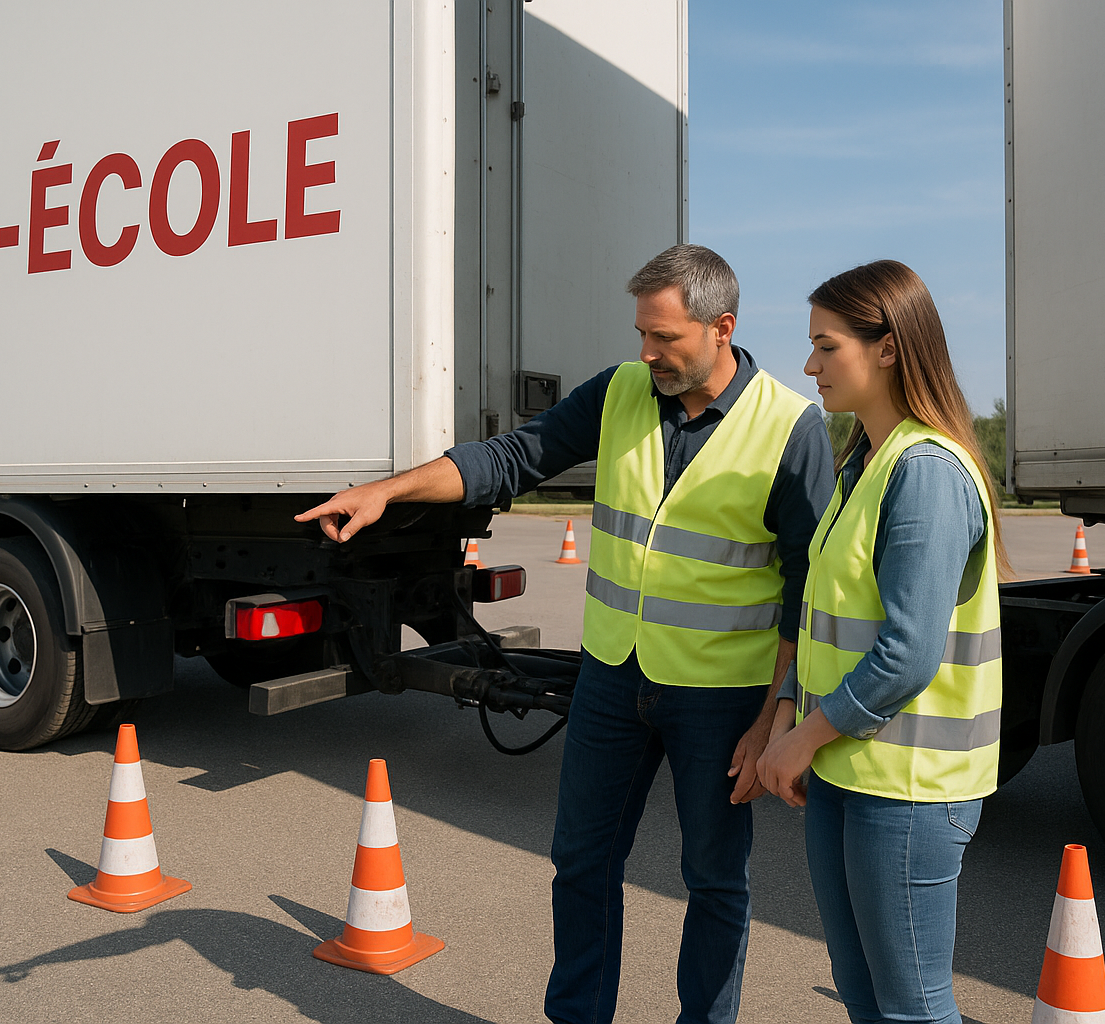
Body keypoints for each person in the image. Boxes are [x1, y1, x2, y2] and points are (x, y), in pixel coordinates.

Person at [296, 243, 834, 1024]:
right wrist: (390, 490)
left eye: (665, 339)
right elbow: (513, 457)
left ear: (723, 328)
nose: (647, 352)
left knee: (715, 880)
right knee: (581, 862)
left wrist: (773, 715)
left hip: (721, 697)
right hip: (614, 677)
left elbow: (806, 593)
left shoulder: (790, 426)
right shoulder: (619, 392)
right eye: (642, 335)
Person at [756, 260, 1006, 1024]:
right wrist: (789, 715)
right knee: (864, 992)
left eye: (827, 347)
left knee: (913, 1007)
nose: (809, 366)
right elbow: (822, 616)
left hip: (907, 789)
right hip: (848, 768)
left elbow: (906, 652)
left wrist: (800, 741)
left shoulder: (925, 471)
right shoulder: (862, 462)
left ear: (889, 347)